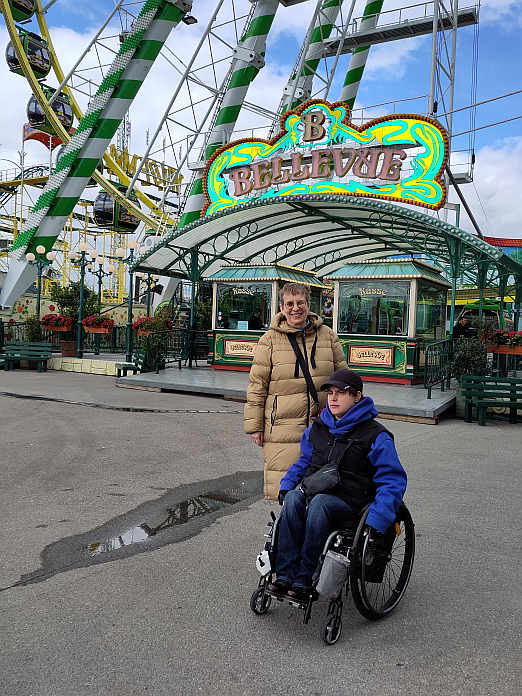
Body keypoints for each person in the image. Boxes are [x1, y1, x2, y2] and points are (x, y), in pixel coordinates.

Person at [267, 368, 407, 601]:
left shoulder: (376, 435)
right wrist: (287, 484)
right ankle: (284, 574)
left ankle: (305, 577)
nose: (333, 398)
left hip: (351, 503)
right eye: (330, 392)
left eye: (341, 393)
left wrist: (379, 519)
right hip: (315, 493)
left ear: (357, 396)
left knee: (320, 503)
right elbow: (303, 462)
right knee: (293, 498)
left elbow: (392, 480)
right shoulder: (318, 429)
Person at [244, 283, 347, 500]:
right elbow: (257, 386)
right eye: (289, 304)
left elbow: (343, 378)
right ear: (281, 307)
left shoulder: (328, 336)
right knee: (289, 491)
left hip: (324, 425)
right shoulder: (269, 341)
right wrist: (255, 427)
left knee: (324, 489)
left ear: (309, 305)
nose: (295, 308)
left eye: (300, 303)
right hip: (282, 427)